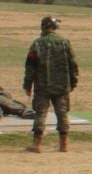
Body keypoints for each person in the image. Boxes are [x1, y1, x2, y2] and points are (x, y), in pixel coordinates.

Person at [22, 15, 79, 153]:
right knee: (62, 114)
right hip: (62, 85)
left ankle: (37, 144)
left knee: (40, 113)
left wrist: (27, 85)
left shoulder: (37, 44)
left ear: (43, 27)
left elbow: (30, 67)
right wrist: (72, 83)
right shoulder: (65, 42)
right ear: (54, 27)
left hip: (42, 86)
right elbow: (73, 65)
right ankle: (63, 144)